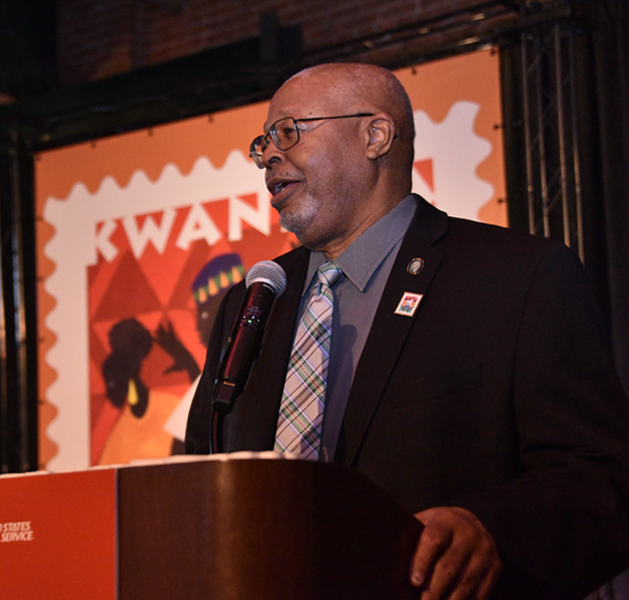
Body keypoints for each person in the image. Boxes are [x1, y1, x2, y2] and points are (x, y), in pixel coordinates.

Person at [184, 62, 629, 600]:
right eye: (263, 144)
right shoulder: (253, 301)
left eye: (289, 132)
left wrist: (492, 531)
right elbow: (198, 483)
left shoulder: (517, 278)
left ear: (376, 135)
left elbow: (604, 482)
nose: (269, 156)